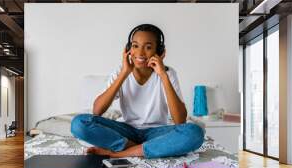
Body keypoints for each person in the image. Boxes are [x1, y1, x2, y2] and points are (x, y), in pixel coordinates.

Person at [71, 24, 204, 159]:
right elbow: (97, 111)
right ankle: (142, 149)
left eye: (148, 47)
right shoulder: (120, 72)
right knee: (79, 123)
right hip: (126, 131)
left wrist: (163, 75)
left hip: (157, 132)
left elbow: (180, 121)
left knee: (194, 132)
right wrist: (124, 73)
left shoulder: (168, 74)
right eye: (135, 46)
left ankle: (118, 154)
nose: (140, 53)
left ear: (159, 51)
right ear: (129, 49)